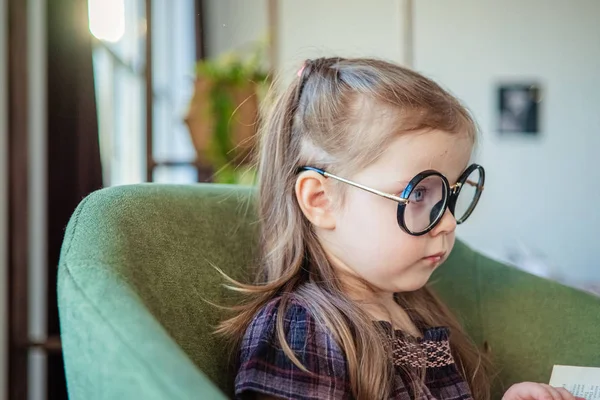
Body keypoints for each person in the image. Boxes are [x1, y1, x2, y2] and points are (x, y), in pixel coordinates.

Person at [216, 57, 582, 400]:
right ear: (320, 201)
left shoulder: (416, 309)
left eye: (451, 194)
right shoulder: (301, 334)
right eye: (419, 193)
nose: (450, 221)